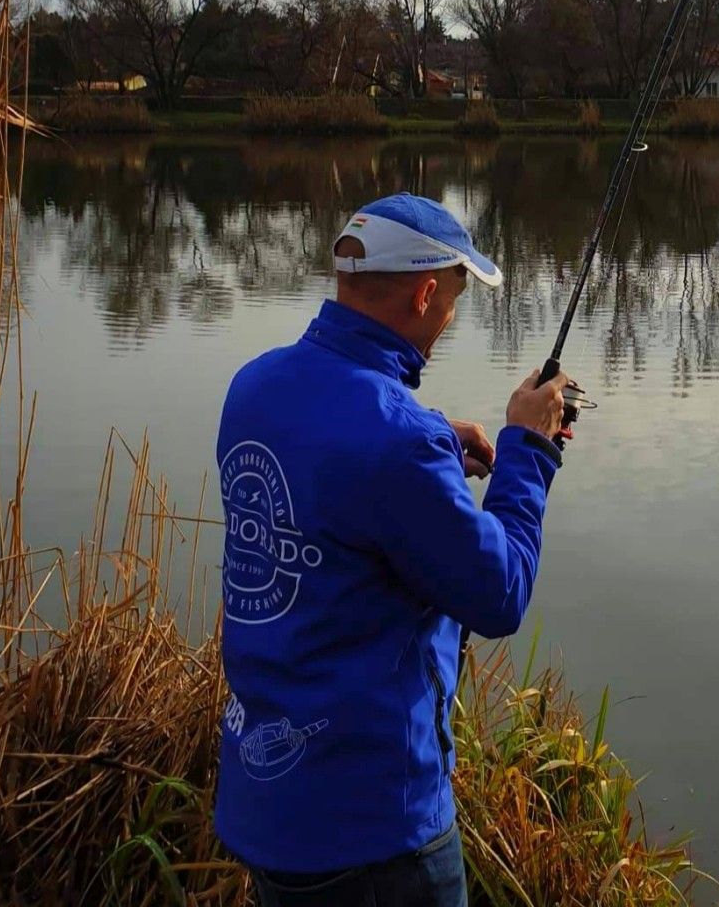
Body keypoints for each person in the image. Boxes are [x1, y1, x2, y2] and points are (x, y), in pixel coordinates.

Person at [214, 192, 568, 907]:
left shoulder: (254, 388)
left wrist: (433, 433)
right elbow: (498, 594)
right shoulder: (396, 444)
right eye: (452, 304)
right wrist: (528, 449)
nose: (447, 323)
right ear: (426, 292)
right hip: (377, 834)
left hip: (271, 810)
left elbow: (341, 446)